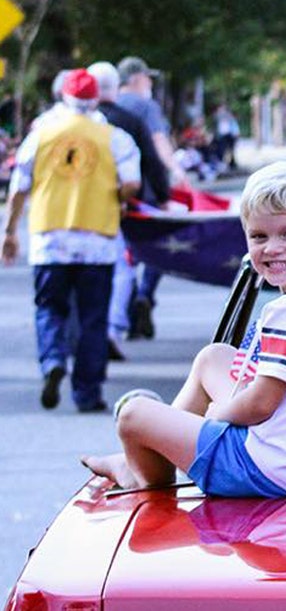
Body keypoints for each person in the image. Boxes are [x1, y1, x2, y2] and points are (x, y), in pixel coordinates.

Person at [81, 161, 286, 496]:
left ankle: (144, 473)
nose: (272, 248)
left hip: (262, 468)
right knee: (213, 358)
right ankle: (161, 448)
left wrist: (217, 415)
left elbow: (261, 404)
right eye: (259, 236)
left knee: (132, 414)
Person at [2, 69, 141, 412]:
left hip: (49, 240)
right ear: (96, 99)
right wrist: (117, 196)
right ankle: (87, 392)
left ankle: (52, 362)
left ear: (63, 96)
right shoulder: (114, 137)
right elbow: (132, 183)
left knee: (50, 309)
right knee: (93, 318)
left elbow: (18, 188)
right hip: (98, 241)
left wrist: (9, 232)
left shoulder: (41, 135)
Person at [87, 60, 172, 361]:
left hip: (78, 212)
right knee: (132, 261)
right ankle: (131, 308)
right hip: (127, 204)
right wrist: (164, 195)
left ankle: (72, 340)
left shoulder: (79, 125)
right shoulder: (136, 116)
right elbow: (152, 157)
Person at [117, 56, 182, 340]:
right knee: (156, 248)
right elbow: (159, 143)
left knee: (124, 255)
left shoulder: (108, 107)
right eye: (147, 78)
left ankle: (129, 308)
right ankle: (145, 295)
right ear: (136, 79)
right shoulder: (146, 106)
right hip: (147, 193)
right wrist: (177, 171)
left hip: (116, 196)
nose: (151, 83)